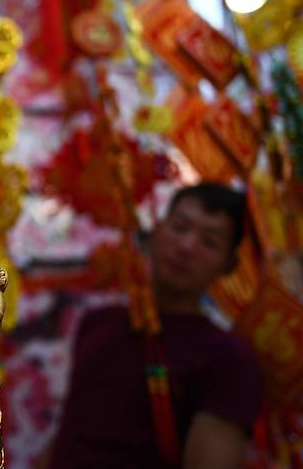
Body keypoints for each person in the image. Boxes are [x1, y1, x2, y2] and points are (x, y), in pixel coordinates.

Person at [48, 182, 262, 468]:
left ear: (229, 265)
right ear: (157, 230)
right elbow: (68, 437)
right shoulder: (96, 323)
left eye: (209, 241)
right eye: (179, 227)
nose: (186, 247)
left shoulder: (229, 358)